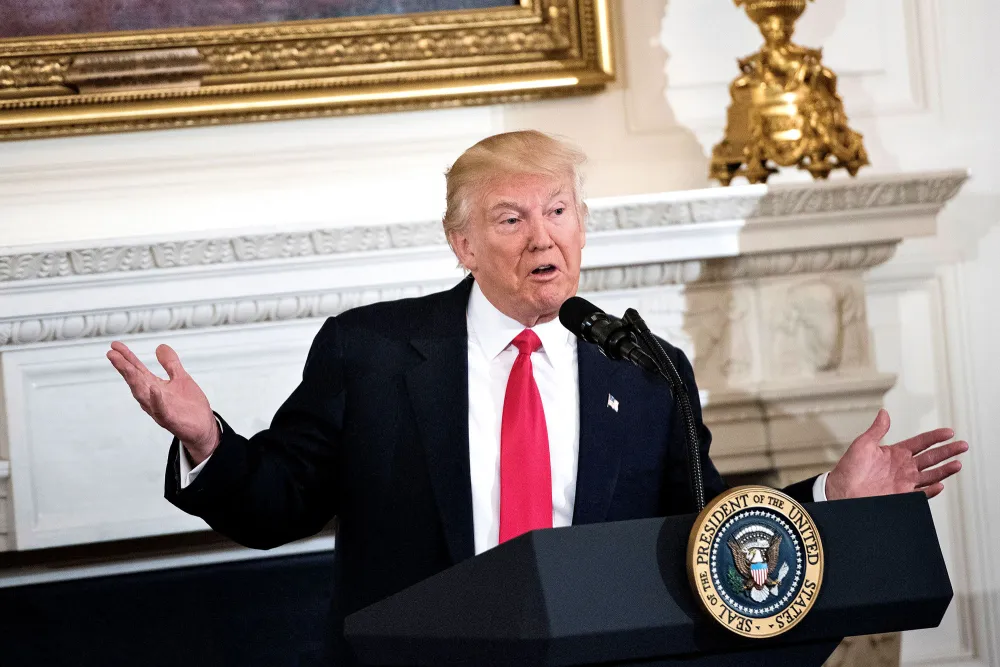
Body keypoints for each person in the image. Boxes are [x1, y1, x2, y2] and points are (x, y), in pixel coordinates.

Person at [107, 130, 967, 665]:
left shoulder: (644, 365)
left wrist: (829, 501)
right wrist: (210, 441)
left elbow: (702, 528)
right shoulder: (371, 351)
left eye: (559, 210)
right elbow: (279, 501)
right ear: (462, 243)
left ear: (583, 226)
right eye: (511, 217)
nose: (543, 234)